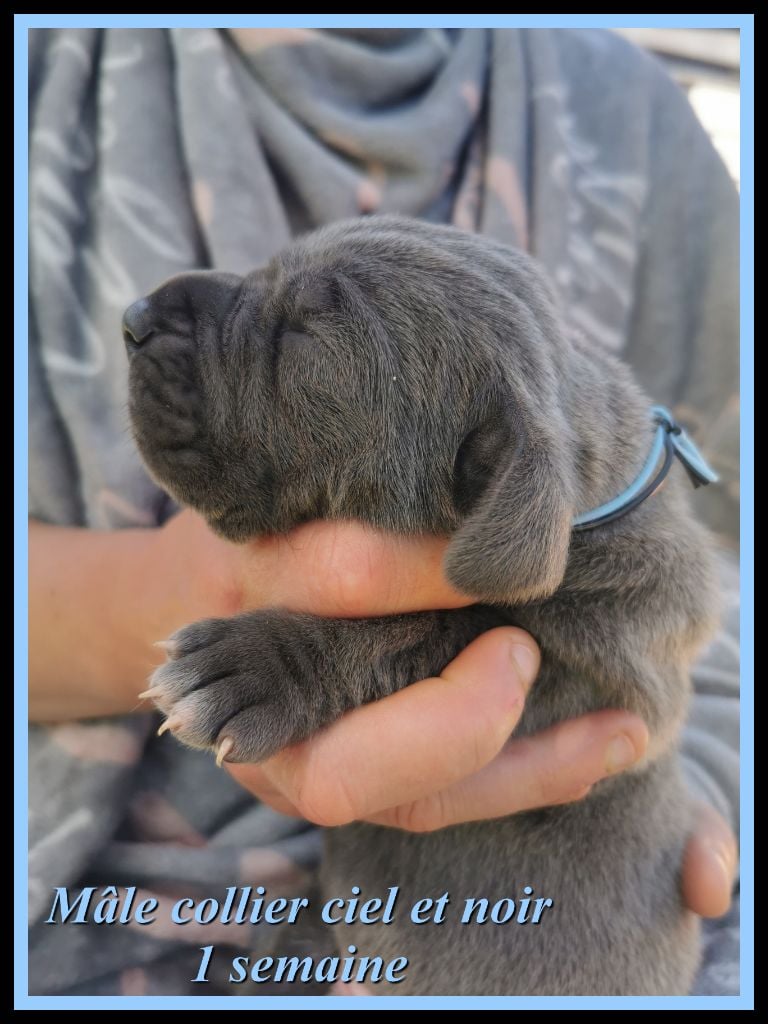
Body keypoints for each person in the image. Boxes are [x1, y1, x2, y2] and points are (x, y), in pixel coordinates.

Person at [28, 26, 740, 997]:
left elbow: (722, 556)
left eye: (293, 351)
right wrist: (188, 598)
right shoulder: (45, 69)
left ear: (496, 493)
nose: (153, 321)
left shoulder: (632, 120)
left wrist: (714, 777)